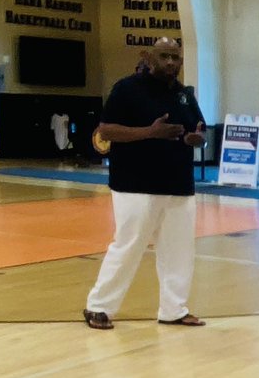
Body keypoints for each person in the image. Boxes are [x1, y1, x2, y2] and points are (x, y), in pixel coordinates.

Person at [82, 38, 208, 331]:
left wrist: (196, 139)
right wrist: (150, 132)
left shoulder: (184, 95)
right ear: (150, 58)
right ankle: (98, 306)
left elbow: (197, 130)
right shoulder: (127, 89)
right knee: (128, 245)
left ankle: (174, 309)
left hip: (178, 184)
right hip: (135, 184)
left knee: (179, 250)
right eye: (164, 56)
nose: (170, 63)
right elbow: (106, 130)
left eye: (175, 57)